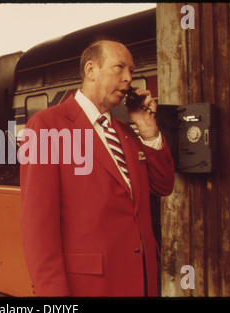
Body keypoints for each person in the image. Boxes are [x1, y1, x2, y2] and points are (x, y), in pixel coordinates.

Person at [19, 40, 175, 297]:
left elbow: (162, 185)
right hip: (89, 287)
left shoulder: (125, 132)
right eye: (120, 68)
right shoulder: (47, 126)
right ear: (91, 69)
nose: (128, 78)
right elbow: (38, 226)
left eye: (132, 71)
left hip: (139, 282)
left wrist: (148, 130)